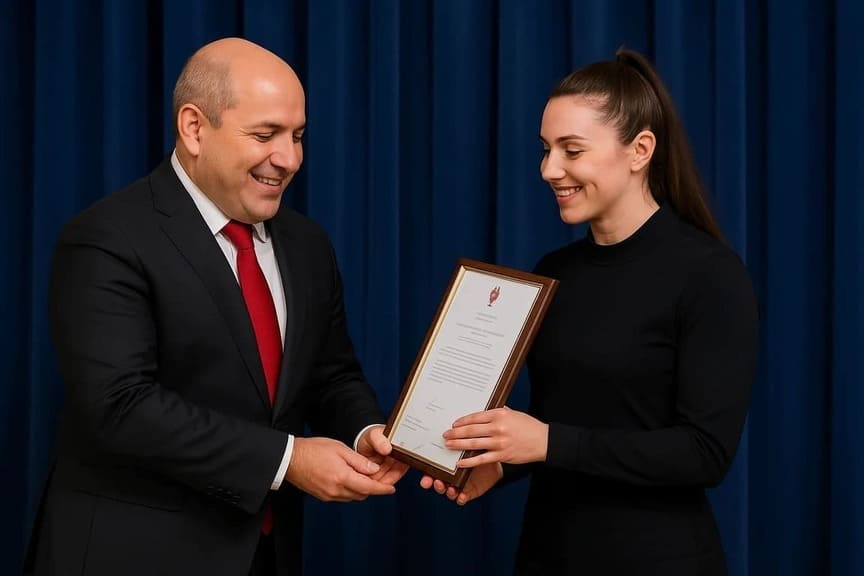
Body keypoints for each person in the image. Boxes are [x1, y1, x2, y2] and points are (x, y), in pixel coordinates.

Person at [25, 37, 407, 576]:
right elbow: (120, 407)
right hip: (132, 554)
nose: (290, 159)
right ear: (194, 128)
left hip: (265, 554)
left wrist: (369, 433)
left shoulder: (307, 244)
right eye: (265, 134)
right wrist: (289, 460)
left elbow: (331, 373)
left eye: (298, 136)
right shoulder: (106, 237)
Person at [421, 47, 759, 575]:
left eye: (571, 150)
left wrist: (545, 442)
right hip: (547, 551)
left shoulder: (709, 275)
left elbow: (703, 453)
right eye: (545, 149)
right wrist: (500, 463)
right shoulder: (554, 271)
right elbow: (564, 423)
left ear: (640, 149)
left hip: (657, 559)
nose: (549, 169)